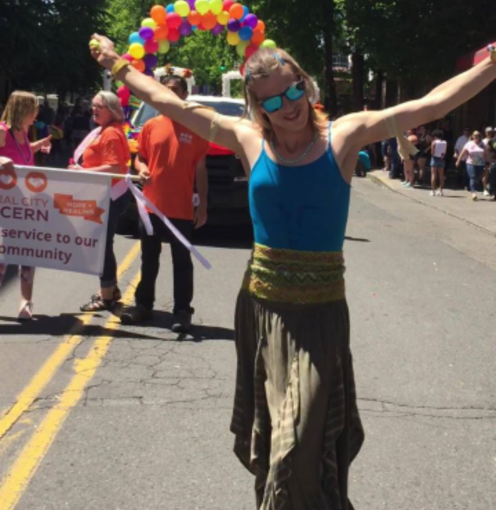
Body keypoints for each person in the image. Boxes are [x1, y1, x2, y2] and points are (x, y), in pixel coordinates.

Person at [90, 33, 496, 510]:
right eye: (274, 99)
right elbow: (164, 100)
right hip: (262, 311)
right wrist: (118, 66)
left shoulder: (342, 138)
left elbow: (428, 106)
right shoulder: (245, 138)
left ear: (307, 84)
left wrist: (489, 68)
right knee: (274, 435)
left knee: (301, 438)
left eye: (295, 90)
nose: (289, 106)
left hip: (321, 314)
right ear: (258, 106)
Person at [120, 76, 209, 333]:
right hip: (150, 208)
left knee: (182, 261)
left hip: (181, 208)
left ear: (184, 94)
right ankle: (143, 306)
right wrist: (142, 168)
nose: (169, 93)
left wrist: (202, 205)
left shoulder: (196, 126)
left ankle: (182, 311)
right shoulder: (150, 125)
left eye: (175, 90)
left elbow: (201, 170)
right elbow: (140, 159)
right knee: (149, 259)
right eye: (166, 89)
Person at [76, 91, 131, 312]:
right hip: (103, 194)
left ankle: (106, 296)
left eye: (100, 106)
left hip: (111, 195)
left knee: (101, 246)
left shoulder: (111, 134)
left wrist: (81, 172)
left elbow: (115, 168)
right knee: (103, 244)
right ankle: (111, 289)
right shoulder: (104, 131)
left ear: (113, 109)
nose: (94, 109)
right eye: (93, 106)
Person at [0, 91, 51, 319]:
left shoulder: (23, 132)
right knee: (2, 255)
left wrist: (39, 145)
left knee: (27, 255)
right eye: (35, 108)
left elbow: (20, 155)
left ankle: (25, 302)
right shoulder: (2, 131)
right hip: (5, 204)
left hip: (25, 203)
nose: (37, 113)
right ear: (23, 109)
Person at [456, 130, 489, 201]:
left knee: (478, 177)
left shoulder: (483, 144)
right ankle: (473, 192)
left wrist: (486, 163)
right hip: (471, 163)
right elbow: (462, 153)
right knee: (473, 177)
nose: (477, 137)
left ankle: (473, 188)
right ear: (472, 136)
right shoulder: (469, 144)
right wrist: (458, 161)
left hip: (480, 163)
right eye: (475, 135)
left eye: (478, 135)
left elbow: (485, 154)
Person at [429, 129, 447, 196]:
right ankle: (440, 190)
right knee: (441, 175)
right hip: (441, 158)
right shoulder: (445, 142)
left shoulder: (434, 142)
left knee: (433, 175)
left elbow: (432, 152)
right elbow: (444, 151)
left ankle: (433, 191)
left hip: (435, 158)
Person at [482, 126, 494, 197]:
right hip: (486, 160)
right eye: (488, 132)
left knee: (492, 176)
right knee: (485, 175)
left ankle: (491, 189)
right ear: (485, 133)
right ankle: (484, 189)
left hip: (493, 160)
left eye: (491, 132)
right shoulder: (483, 141)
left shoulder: (493, 140)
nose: (489, 133)